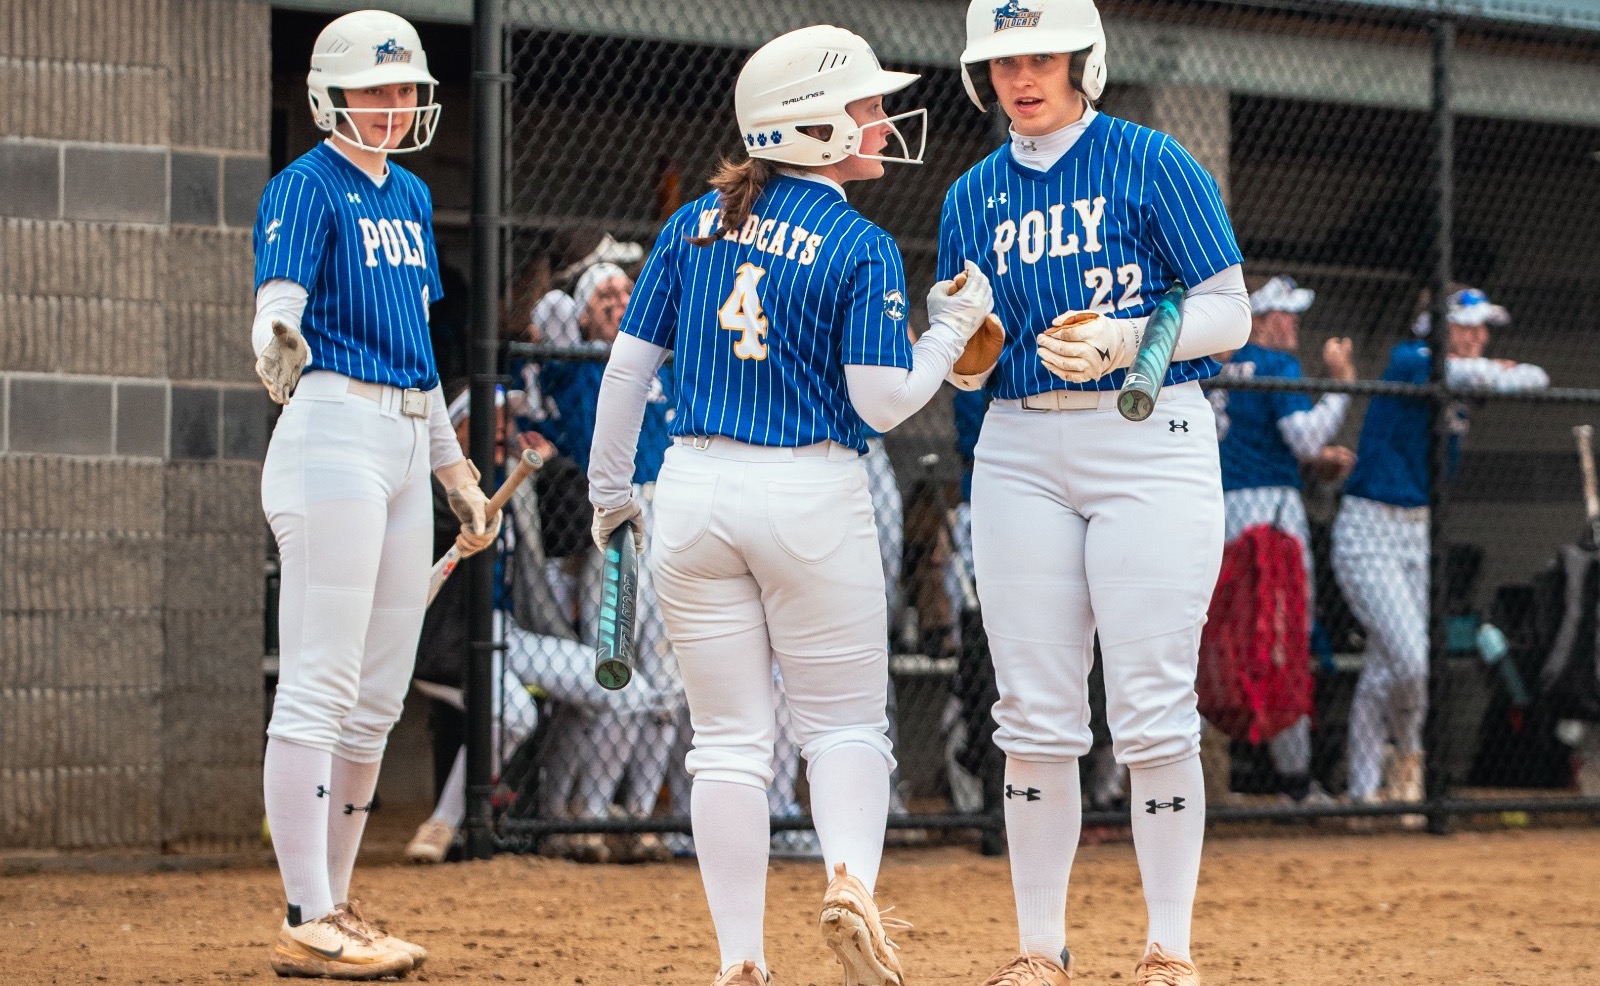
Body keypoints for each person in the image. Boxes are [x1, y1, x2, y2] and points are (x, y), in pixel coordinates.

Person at [587, 24, 994, 986]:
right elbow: (881, 400)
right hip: (808, 488)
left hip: (689, 485)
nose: (881, 120)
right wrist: (953, 331)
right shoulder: (858, 242)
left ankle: (741, 962)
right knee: (844, 724)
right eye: (861, 107)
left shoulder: (693, 222)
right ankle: (850, 882)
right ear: (806, 128)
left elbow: (625, 374)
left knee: (727, 740)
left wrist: (610, 495)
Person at [940, 1, 1253, 982]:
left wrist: (1129, 340)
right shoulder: (971, 193)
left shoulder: (1152, 159)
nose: (1019, 77)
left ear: (1083, 61)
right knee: (1031, 712)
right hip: (1021, 442)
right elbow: (966, 336)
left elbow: (1228, 308)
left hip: (1146, 436)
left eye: (1038, 57)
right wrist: (963, 351)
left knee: (1154, 705)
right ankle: (1039, 950)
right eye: (1000, 61)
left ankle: (1168, 948)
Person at [250, 10, 495, 979]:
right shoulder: (304, 184)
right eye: (376, 89)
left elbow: (421, 351)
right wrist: (274, 335)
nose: (394, 106)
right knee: (319, 679)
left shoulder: (413, 198)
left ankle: (336, 906)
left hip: (398, 434)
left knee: (377, 694)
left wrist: (453, 467)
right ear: (331, 94)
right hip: (331, 429)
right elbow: (280, 297)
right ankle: (306, 908)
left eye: (405, 89)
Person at [1332, 287, 1548, 824]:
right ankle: (1407, 761)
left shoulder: (1460, 371)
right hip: (1368, 527)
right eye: (1467, 325)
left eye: (1484, 327)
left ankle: (1365, 794)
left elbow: (1536, 378)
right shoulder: (1412, 359)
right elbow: (1489, 377)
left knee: (1390, 662)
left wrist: (1499, 371)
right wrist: (1499, 371)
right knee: (1409, 658)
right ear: (1438, 327)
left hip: (1419, 530)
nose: (1479, 336)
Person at [1211, 275, 1357, 805]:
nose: (1293, 324)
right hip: (1271, 517)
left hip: (1221, 513)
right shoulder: (1275, 364)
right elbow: (1305, 438)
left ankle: (1239, 770)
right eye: (1286, 315)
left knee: (1225, 639)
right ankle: (1294, 782)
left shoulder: (1220, 366)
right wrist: (1340, 382)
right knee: (1283, 641)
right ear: (1264, 321)